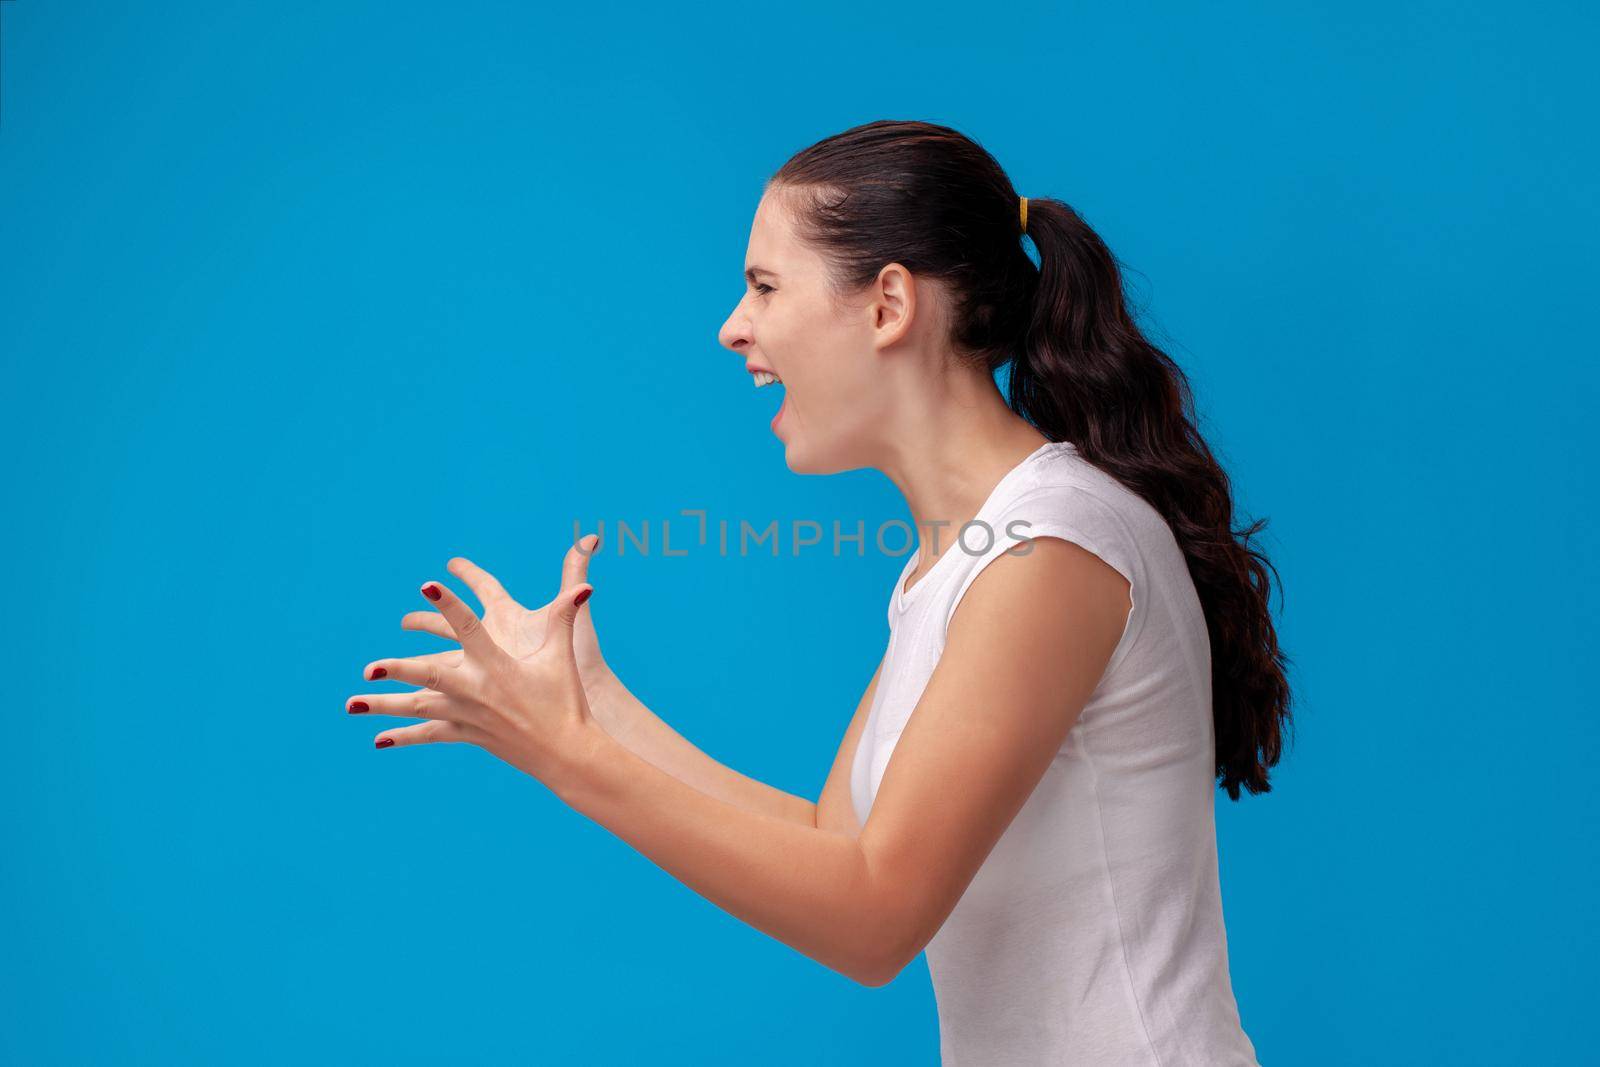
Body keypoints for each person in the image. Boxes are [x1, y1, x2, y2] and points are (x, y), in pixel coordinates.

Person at [348, 119, 1291, 1065]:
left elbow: (874, 914)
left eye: (764, 285)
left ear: (888, 305)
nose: (732, 326)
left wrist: (563, 754)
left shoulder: (1048, 547)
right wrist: (591, 704)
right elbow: (830, 839)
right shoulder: (961, 563)